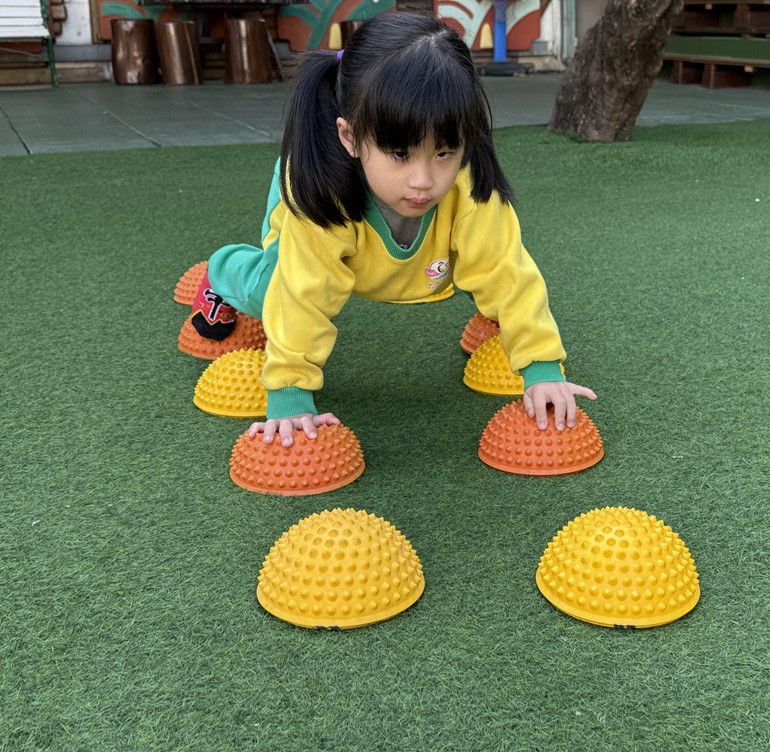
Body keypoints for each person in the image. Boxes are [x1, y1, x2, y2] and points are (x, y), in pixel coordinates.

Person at [191, 12, 595, 448]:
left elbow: (507, 271)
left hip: (418, 266)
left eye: (444, 152)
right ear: (350, 137)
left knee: (487, 266)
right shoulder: (323, 197)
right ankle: (223, 272)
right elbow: (301, 296)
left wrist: (541, 369)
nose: (423, 180)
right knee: (270, 290)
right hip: (317, 193)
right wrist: (289, 395)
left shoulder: (470, 187)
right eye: (400, 154)